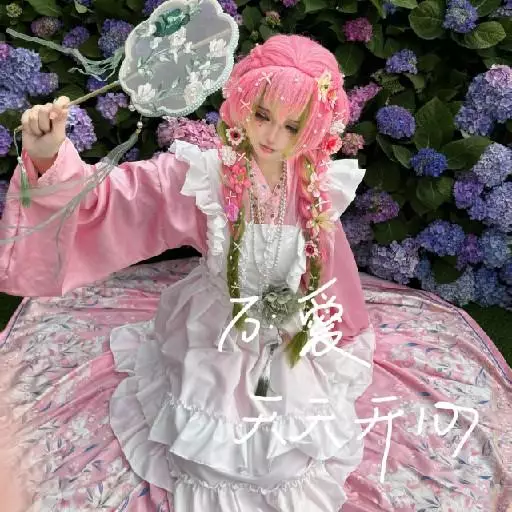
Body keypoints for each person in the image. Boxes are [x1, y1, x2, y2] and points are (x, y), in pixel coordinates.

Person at [0, 34, 375, 511]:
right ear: (242, 103)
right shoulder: (204, 177)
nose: (272, 137)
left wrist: (337, 329)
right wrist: (50, 158)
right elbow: (120, 197)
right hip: (214, 333)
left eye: (292, 126)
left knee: (288, 454)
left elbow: (330, 267)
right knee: (205, 455)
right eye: (262, 115)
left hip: (283, 336)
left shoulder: (313, 187)